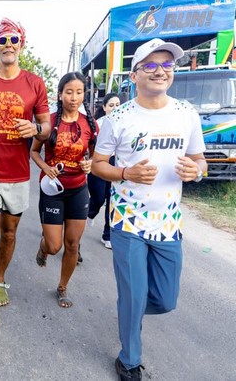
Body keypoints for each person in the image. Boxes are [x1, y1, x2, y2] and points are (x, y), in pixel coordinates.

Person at [92, 38, 207, 380]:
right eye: (151, 66)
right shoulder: (119, 117)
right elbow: (98, 165)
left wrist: (196, 171)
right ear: (135, 74)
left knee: (166, 299)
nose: (161, 71)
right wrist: (126, 172)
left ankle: (132, 311)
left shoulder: (187, 113)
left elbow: (200, 160)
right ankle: (129, 360)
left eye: (167, 65)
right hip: (127, 221)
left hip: (168, 222)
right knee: (133, 292)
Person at [0, 18, 51, 330]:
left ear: (21, 45)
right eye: (3, 40)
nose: (8, 45)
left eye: (14, 39)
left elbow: (47, 126)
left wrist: (36, 129)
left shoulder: (35, 84)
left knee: (10, 234)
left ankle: (1, 278)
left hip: (17, 174)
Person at [31, 72, 98, 308]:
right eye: (69, 92)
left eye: (79, 92)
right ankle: (43, 248)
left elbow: (93, 154)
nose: (74, 97)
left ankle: (62, 287)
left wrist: (89, 163)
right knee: (54, 245)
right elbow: (33, 152)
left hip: (79, 189)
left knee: (72, 244)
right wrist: (45, 167)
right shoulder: (49, 122)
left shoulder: (90, 124)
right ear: (60, 94)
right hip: (52, 189)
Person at [87, 93, 121, 249]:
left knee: (112, 200)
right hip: (99, 163)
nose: (115, 108)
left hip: (117, 164)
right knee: (99, 198)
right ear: (104, 107)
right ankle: (90, 212)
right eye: (111, 105)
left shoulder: (125, 122)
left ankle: (107, 235)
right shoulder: (97, 124)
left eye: (118, 104)